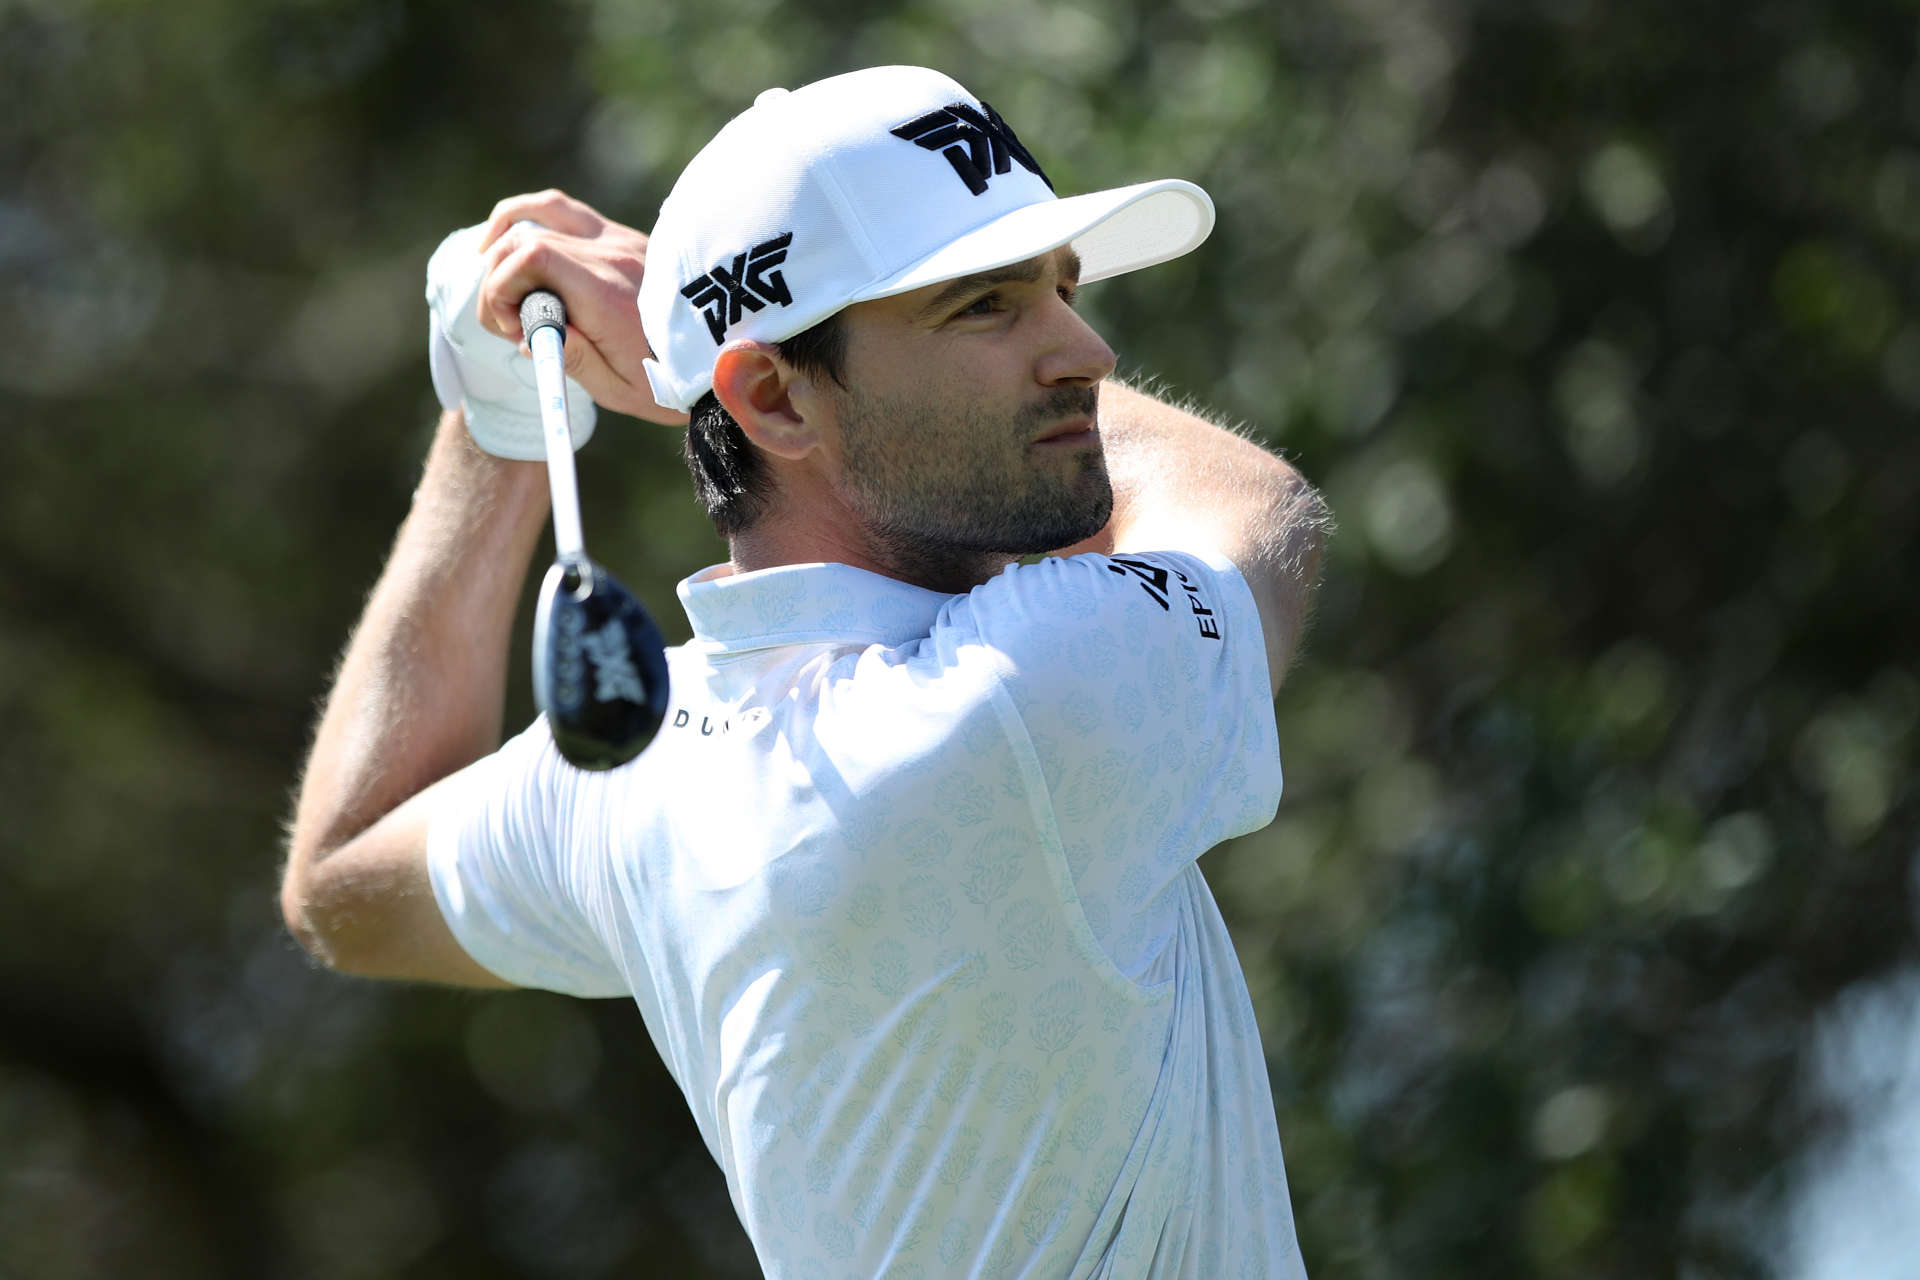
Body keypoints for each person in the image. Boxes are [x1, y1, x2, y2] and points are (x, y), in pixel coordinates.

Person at [283, 65, 1329, 1280]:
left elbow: (340, 875)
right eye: (986, 306)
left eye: (1061, 287)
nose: (1086, 350)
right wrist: (702, 378)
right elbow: (1259, 508)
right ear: (774, 395)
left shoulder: (641, 770)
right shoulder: (1021, 699)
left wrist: (505, 416)